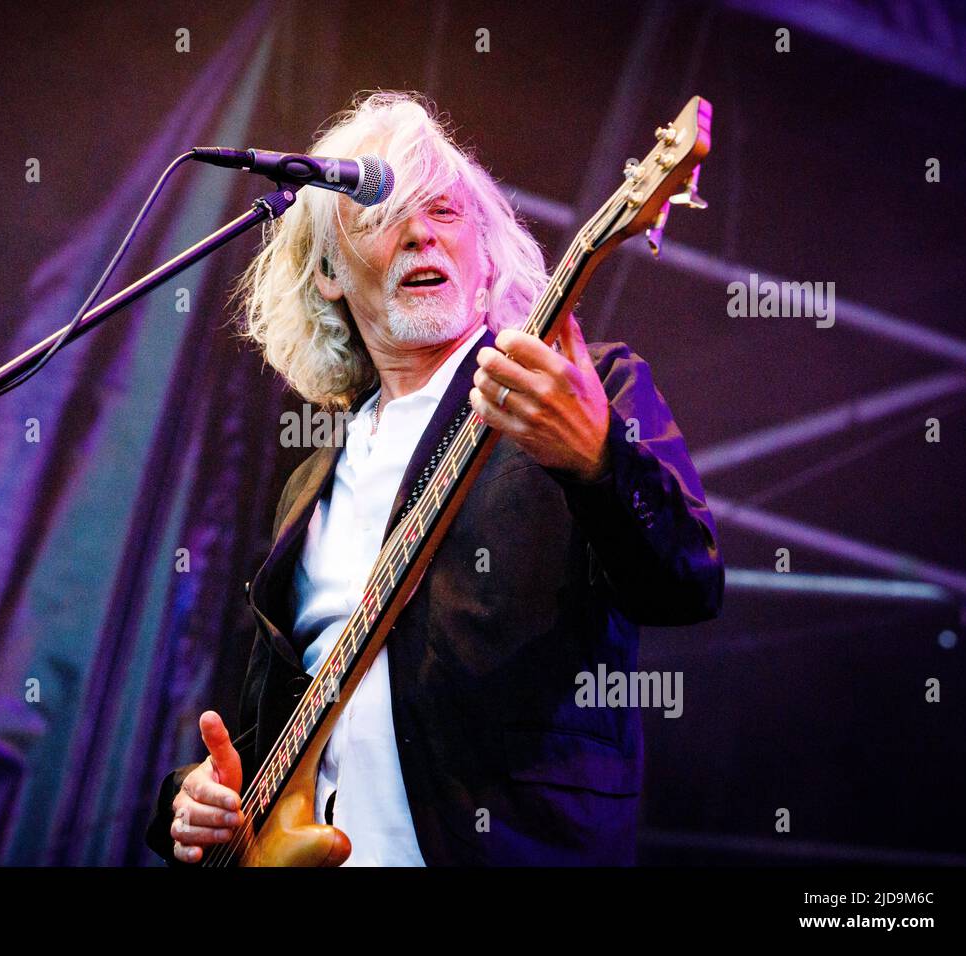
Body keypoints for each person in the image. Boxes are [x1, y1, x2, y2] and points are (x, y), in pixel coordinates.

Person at [144, 90, 723, 866]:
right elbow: (290, 719)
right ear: (326, 273)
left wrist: (597, 458)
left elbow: (688, 585)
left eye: (446, 213)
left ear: (485, 250)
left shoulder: (582, 388)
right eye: (380, 214)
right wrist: (198, 799)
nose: (419, 232)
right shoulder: (312, 481)